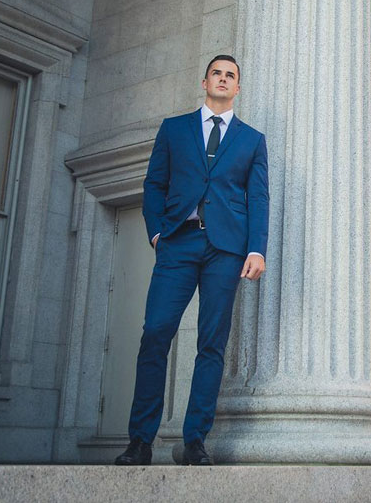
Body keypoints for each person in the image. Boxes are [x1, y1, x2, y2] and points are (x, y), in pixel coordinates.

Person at [114, 54, 269, 466]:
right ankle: (140, 441)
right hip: (178, 244)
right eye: (216, 73)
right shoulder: (174, 129)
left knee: (211, 345)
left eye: (230, 75)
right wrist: (156, 231)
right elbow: (154, 183)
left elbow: (257, 197)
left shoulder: (252, 140)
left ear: (237, 88)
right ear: (204, 82)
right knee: (156, 334)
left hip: (226, 250)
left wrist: (256, 248)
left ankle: (194, 441)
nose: (222, 79)